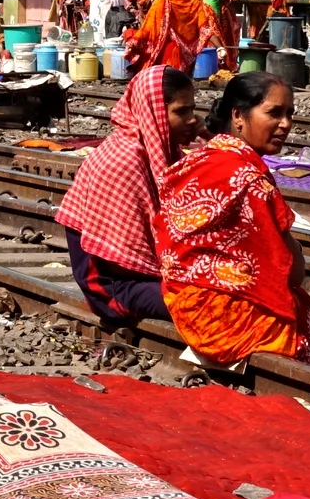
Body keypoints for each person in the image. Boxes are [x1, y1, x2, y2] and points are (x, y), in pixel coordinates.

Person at [156, 72, 310, 376]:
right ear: (238, 116)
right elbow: (288, 270)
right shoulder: (249, 178)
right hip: (227, 320)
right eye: (274, 113)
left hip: (185, 305)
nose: (286, 124)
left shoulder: (197, 160)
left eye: (289, 114)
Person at [56, 66, 202, 326]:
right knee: (205, 305)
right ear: (154, 113)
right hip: (114, 286)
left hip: (141, 275)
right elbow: (124, 258)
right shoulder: (125, 158)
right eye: (182, 111)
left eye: (193, 110)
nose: (193, 120)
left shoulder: (160, 149)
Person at [127, 0, 226, 74]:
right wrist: (220, 48)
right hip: (187, 58)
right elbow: (205, 28)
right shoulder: (194, 2)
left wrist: (132, 42)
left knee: (128, 33)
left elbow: (149, 28)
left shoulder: (163, 0)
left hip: (165, 57)